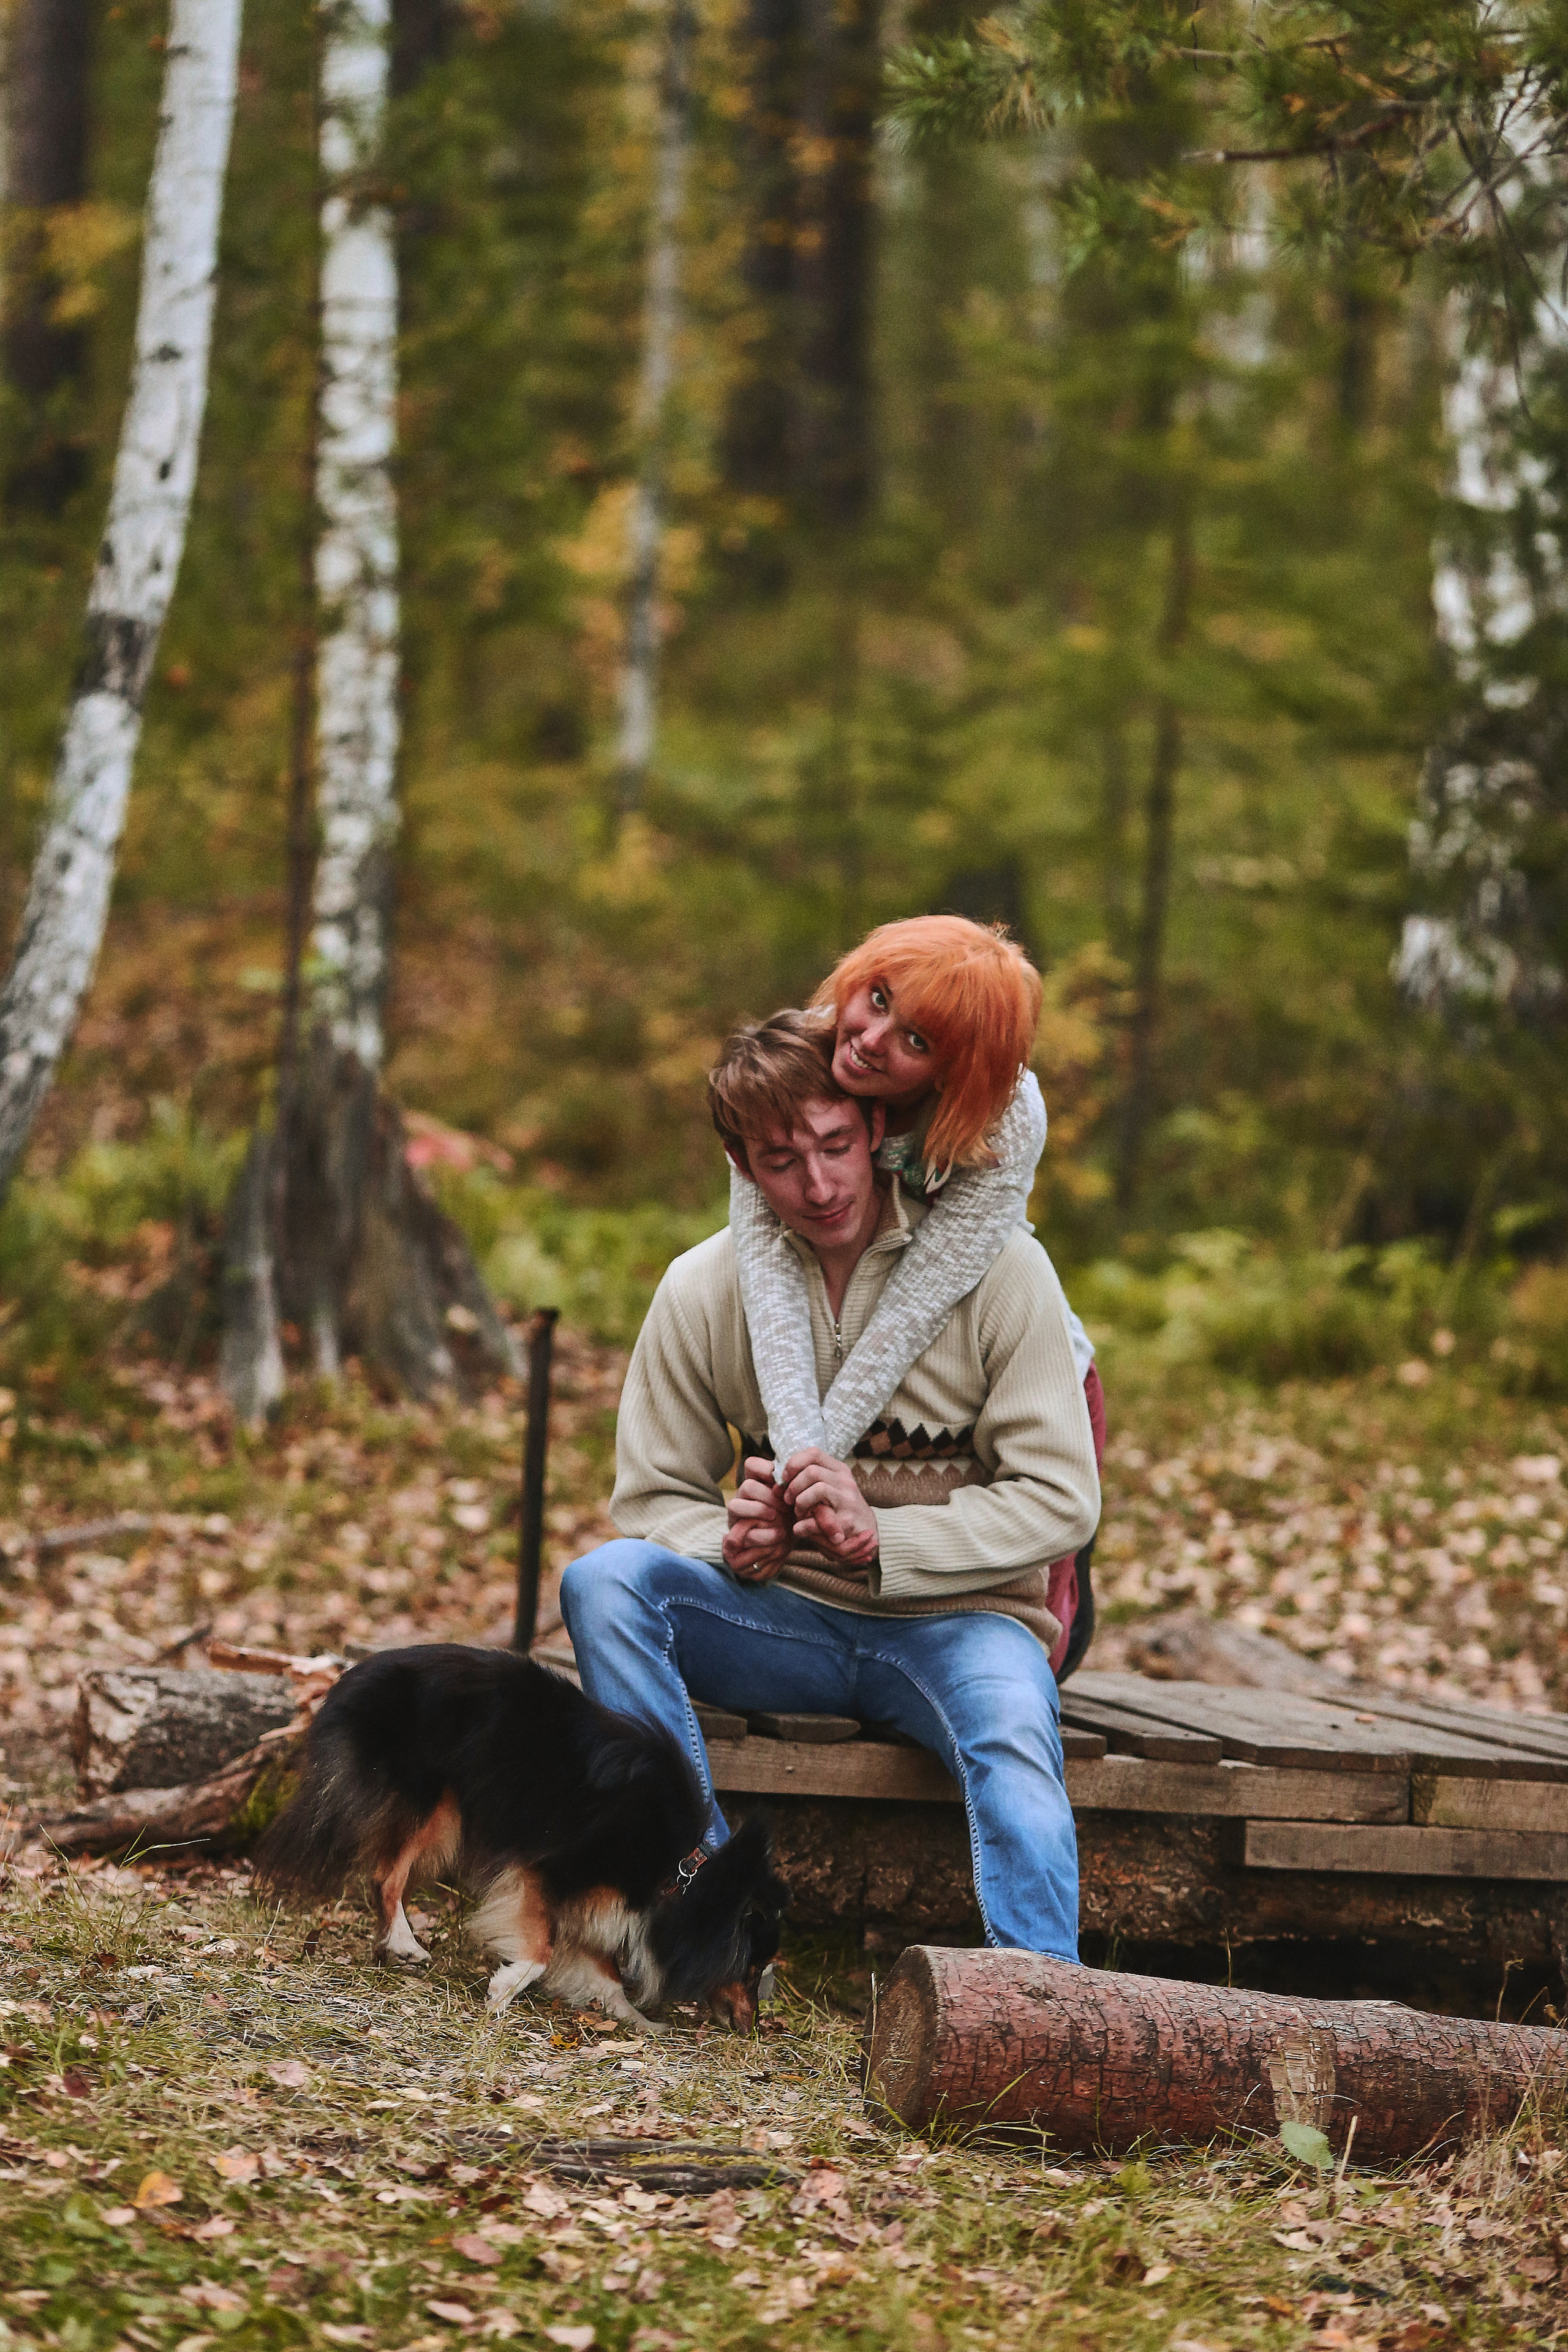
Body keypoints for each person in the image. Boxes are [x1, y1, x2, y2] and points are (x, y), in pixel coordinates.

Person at [560, 1012, 1099, 1961]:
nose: (818, 1185)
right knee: (602, 1583)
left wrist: (888, 1541)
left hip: (962, 1624)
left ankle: (1043, 2007)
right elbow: (652, 1498)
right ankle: (711, 1915)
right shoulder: (703, 1289)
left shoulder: (1004, 1270)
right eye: (780, 1160)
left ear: (877, 1133)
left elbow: (1061, 1498)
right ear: (739, 1162)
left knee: (1015, 1744)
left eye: (837, 1145)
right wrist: (729, 1541)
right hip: (784, 1622)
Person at [729, 914, 1102, 1676]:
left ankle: (1056, 1638)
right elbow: (766, 1279)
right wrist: (808, 1463)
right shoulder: (794, 1058)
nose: (870, 1038)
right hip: (857, 1365)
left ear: (953, 1072)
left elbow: (917, 1302)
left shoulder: (1006, 1114)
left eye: (917, 1042)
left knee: (1045, 1623)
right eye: (877, 997)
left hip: (1018, 1360)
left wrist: (806, 1462)